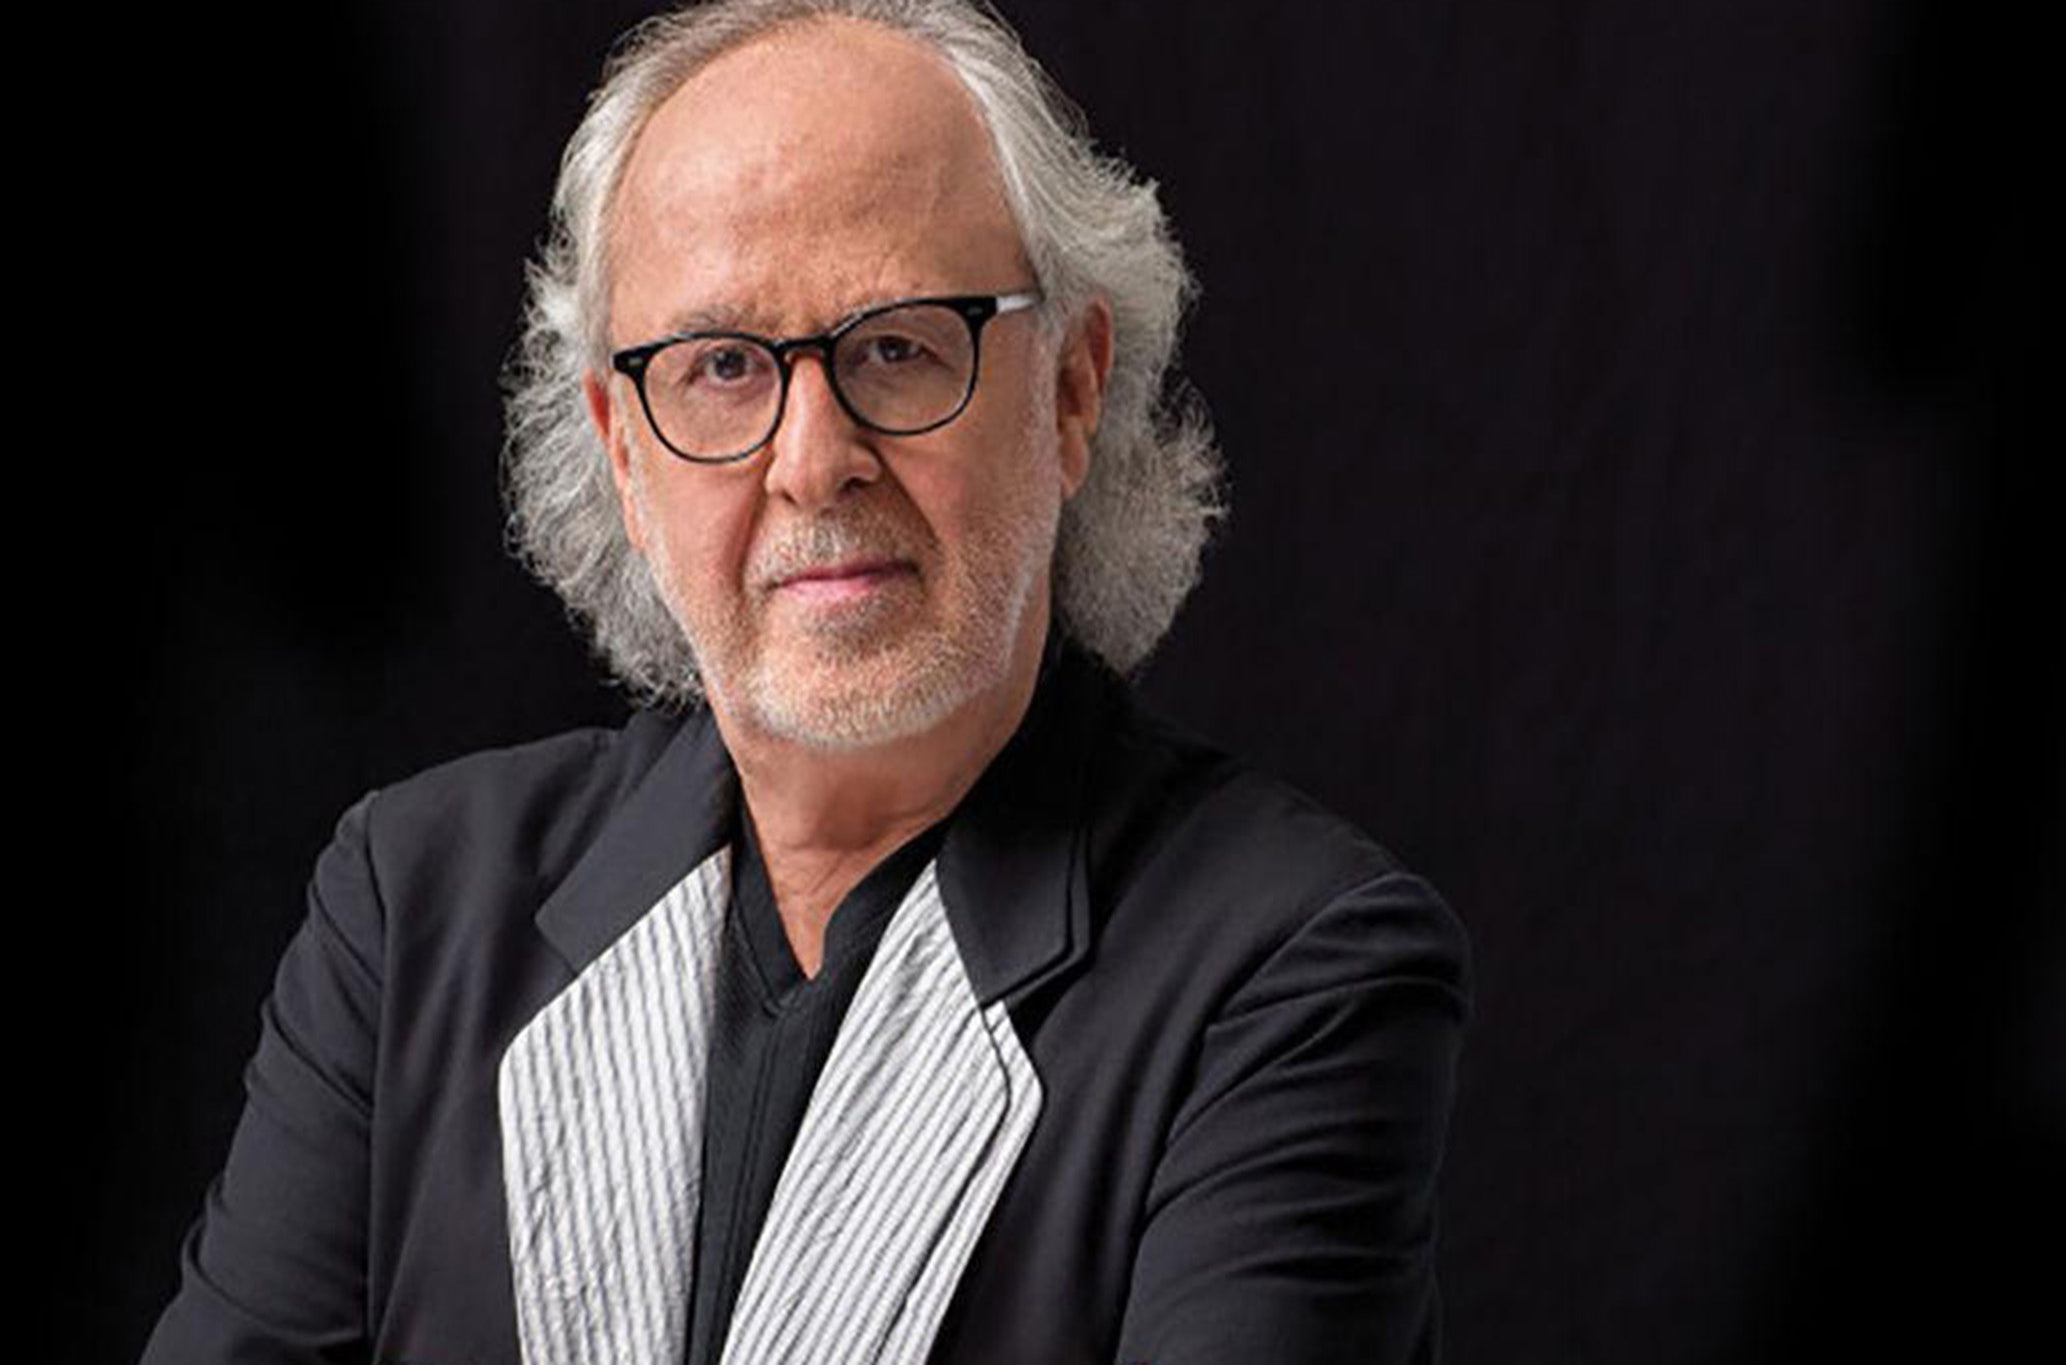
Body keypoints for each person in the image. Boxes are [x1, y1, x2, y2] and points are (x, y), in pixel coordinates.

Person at [141, 2, 1469, 1362]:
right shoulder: (412, 904)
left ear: (1071, 390)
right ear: (622, 452)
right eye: (721, 367)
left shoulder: (1291, 970)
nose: (812, 459)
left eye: (897, 345)